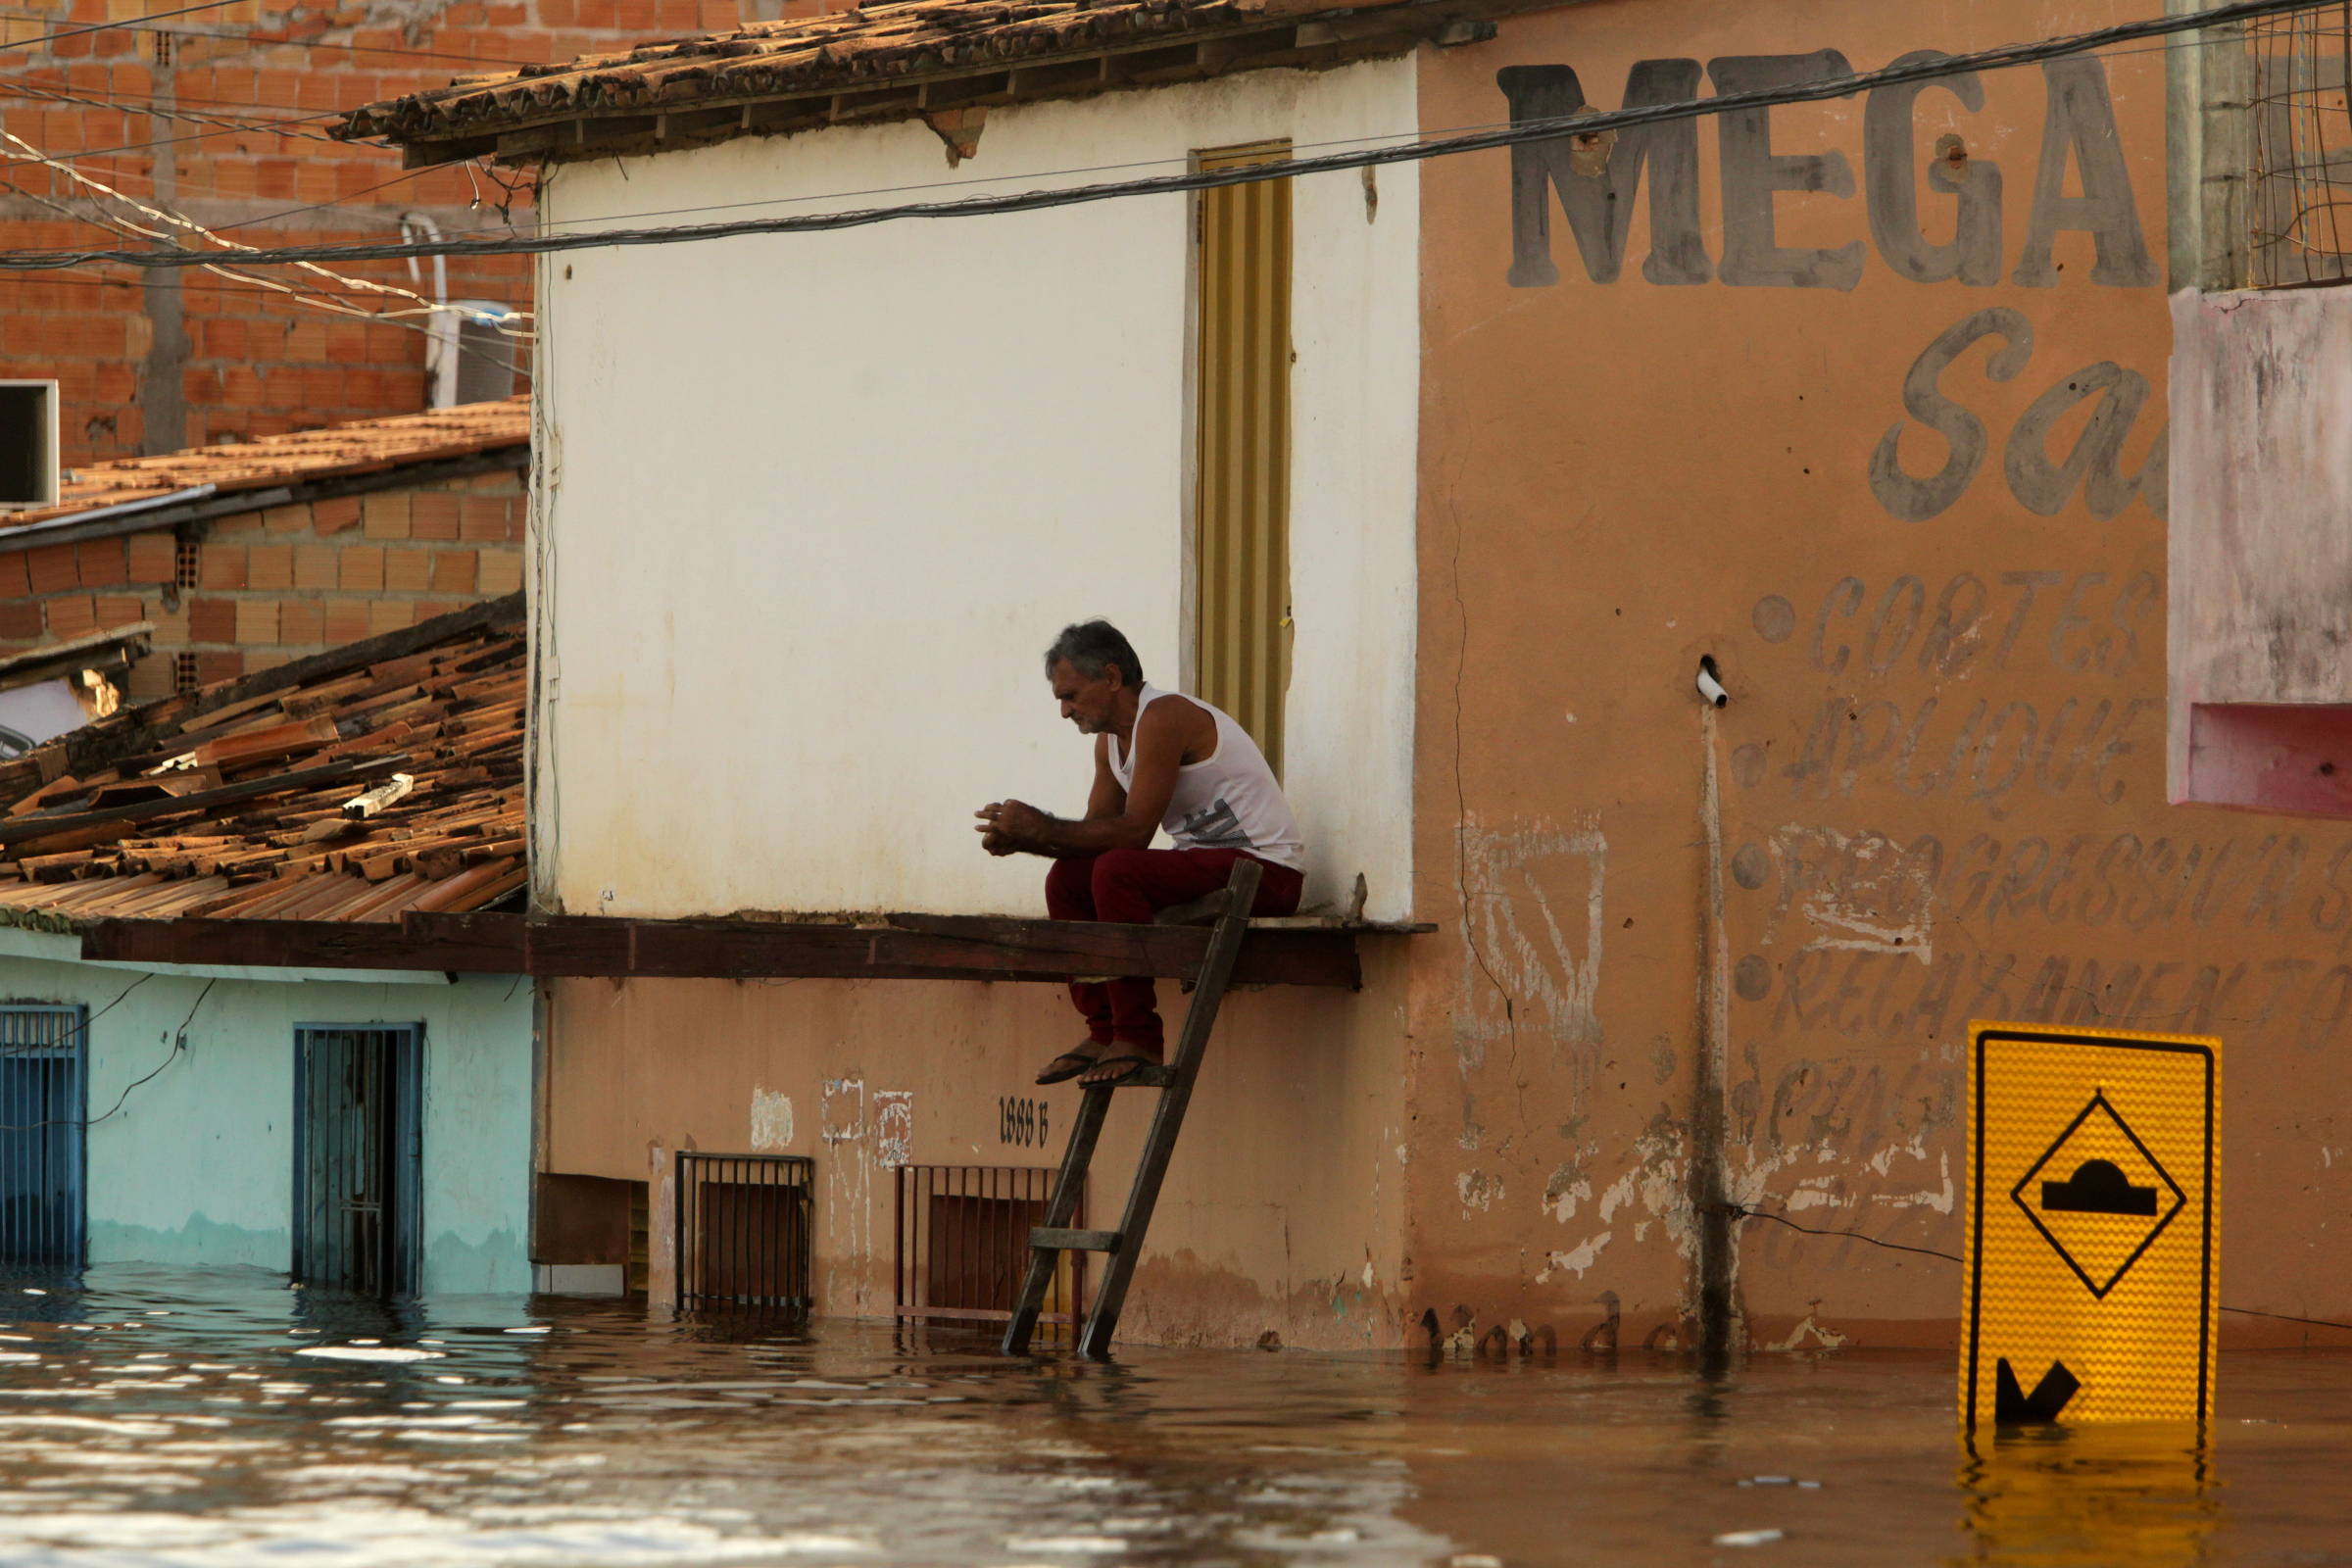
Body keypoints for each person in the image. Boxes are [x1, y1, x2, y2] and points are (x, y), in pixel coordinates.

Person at [975, 619, 1306, 1087]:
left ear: (1111, 678)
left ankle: (1139, 1036)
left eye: (1070, 696)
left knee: (1116, 871)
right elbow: (1094, 834)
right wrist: (1028, 840)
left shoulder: (1165, 716)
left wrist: (1041, 826)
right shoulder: (1110, 743)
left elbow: (1132, 835)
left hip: (1267, 873)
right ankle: (1103, 1030)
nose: (1065, 712)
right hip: (1210, 868)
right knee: (1068, 879)